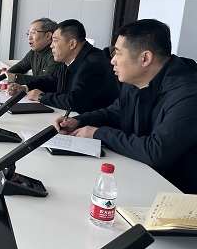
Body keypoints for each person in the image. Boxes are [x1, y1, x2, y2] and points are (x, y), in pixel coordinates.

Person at [55, 19, 197, 194]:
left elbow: (157, 152)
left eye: (118, 53)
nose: (112, 61)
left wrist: (98, 133)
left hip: (177, 192)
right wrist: (78, 121)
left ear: (145, 58)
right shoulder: (136, 80)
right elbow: (115, 112)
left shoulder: (189, 93)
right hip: (139, 175)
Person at [8, 19, 120, 113]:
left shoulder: (94, 65)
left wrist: (41, 96)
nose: (51, 45)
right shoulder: (70, 59)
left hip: (94, 126)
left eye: (55, 41)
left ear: (72, 44)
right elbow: (51, 80)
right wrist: (25, 88)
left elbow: (75, 101)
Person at [5, 17, 61, 84]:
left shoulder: (56, 54)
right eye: (28, 33)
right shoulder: (34, 51)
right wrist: (6, 74)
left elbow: (47, 80)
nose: (29, 37)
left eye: (34, 32)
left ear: (48, 35)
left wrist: (15, 77)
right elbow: (21, 67)